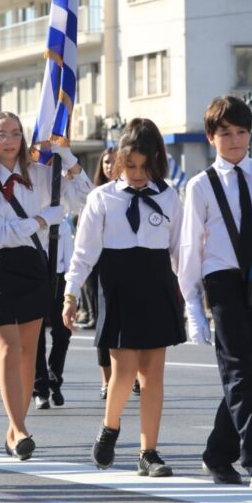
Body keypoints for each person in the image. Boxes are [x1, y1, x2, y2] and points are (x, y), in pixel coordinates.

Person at [63, 118, 185, 476]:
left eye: (145, 166)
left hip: (157, 285)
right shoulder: (102, 198)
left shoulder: (169, 196)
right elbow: (84, 252)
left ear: (157, 161)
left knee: (153, 375)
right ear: (118, 160)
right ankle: (110, 427)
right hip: (118, 285)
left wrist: (191, 294)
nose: (136, 173)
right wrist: (70, 294)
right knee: (124, 369)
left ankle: (149, 452)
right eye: (130, 165)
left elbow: (179, 251)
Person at [0, 111, 91, 461]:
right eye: (1, 134)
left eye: (15, 134)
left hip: (36, 267)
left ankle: (13, 430)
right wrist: (40, 219)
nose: (9, 141)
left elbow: (84, 200)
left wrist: (66, 156)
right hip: (0, 268)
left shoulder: (42, 173)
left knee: (27, 353)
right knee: (8, 350)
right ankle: (20, 428)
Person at [180, 95, 252, 488]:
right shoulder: (200, 186)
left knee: (247, 374)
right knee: (238, 369)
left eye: (242, 132)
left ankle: (216, 453)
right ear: (211, 138)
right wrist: (192, 306)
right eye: (225, 134)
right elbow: (190, 246)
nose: (235, 140)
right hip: (222, 281)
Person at [33, 217, 72, 410]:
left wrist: (73, 296)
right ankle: (40, 388)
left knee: (63, 334)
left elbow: (70, 260)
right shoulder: (31, 221)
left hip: (59, 280)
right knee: (36, 337)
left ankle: (55, 379)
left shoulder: (63, 225)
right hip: (36, 278)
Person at [88, 148, 115, 397]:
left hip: (125, 265)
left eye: (115, 161)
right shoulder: (94, 195)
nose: (110, 165)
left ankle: (134, 376)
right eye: (106, 161)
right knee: (103, 324)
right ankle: (107, 380)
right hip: (98, 266)